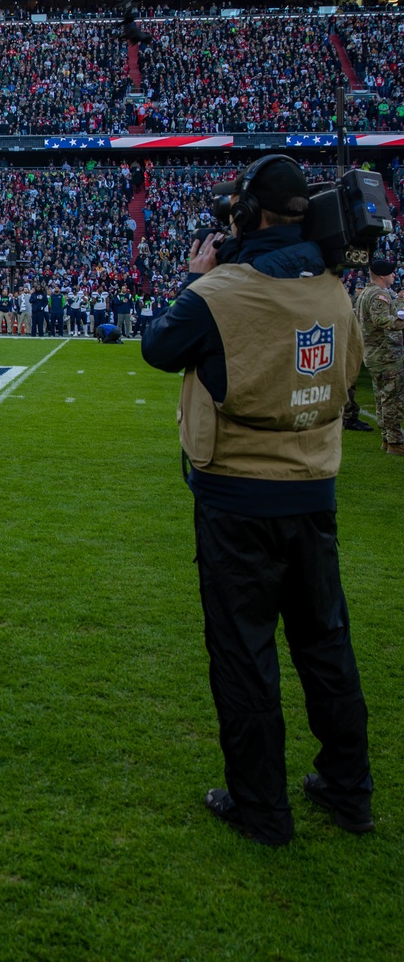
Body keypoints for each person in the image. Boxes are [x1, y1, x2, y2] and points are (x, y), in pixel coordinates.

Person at [141, 155, 372, 846]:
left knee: (245, 654)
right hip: (313, 483)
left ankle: (262, 807)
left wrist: (199, 273)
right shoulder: (333, 287)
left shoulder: (222, 291)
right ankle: (348, 790)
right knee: (326, 644)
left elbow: (159, 345)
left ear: (248, 213)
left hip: (237, 492)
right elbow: (351, 367)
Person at [353, 257, 404, 454]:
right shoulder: (378, 294)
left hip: (376, 354)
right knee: (392, 399)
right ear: (382, 275)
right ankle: (395, 442)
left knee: (382, 397)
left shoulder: (367, 292)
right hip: (385, 355)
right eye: (391, 273)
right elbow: (381, 320)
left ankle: (386, 438)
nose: (393, 275)